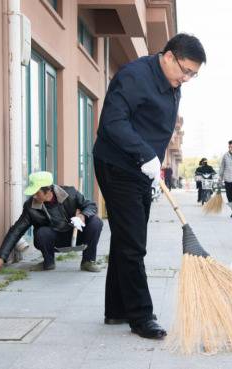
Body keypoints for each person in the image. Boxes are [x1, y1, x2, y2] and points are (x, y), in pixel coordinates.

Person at [92, 33, 206, 339]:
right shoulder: (134, 76)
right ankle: (141, 316)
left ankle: (116, 308)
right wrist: (145, 156)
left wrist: (155, 167)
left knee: (126, 237)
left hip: (143, 169)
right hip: (116, 164)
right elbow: (113, 123)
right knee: (133, 243)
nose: (187, 79)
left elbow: (155, 126)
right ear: (168, 56)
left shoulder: (174, 84)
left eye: (193, 75)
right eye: (185, 70)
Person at [0, 171, 103, 273]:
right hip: (54, 239)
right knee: (41, 232)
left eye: (37, 193)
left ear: (48, 191)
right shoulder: (30, 206)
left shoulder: (70, 193)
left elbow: (91, 206)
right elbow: (16, 230)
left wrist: (82, 216)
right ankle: (49, 262)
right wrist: (1, 257)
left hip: (76, 234)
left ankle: (88, 261)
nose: (34, 196)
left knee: (95, 222)